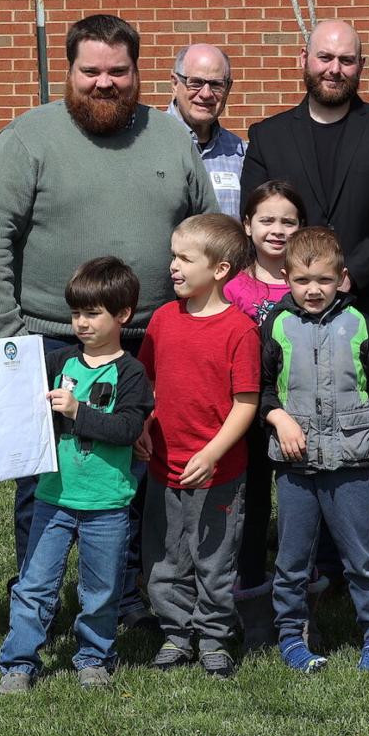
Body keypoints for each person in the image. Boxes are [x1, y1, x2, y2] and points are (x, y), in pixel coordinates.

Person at [0, 13, 216, 626]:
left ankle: (127, 601)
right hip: (48, 339)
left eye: (117, 72)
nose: (104, 83)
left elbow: (209, 232)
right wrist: (8, 343)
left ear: (137, 73)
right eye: (91, 71)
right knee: (42, 485)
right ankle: (37, 603)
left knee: (134, 475)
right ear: (70, 72)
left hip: (149, 341)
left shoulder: (170, 138)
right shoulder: (27, 138)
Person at [241, 20, 369, 609]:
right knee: (307, 446)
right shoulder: (268, 135)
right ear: (305, 59)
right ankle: (319, 561)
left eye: (347, 60)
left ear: (360, 67)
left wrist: (347, 275)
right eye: (325, 57)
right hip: (294, 323)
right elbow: (260, 221)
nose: (335, 68)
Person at [0, 257, 154, 694]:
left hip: (108, 504)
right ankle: (19, 662)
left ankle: (94, 657)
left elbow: (128, 430)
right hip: (53, 498)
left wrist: (80, 412)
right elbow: (28, 408)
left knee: (100, 590)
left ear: (123, 315)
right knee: (35, 585)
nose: (81, 322)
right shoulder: (58, 361)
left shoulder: (132, 374)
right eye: (76, 312)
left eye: (92, 313)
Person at [260, 227, 369, 674]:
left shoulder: (358, 323)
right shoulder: (277, 325)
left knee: (362, 557)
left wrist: (353, 426)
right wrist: (279, 418)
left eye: (323, 280)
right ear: (286, 278)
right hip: (295, 465)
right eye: (302, 281)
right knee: (292, 559)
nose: (313, 290)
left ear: (341, 278)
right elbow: (259, 386)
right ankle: (291, 635)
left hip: (351, 463)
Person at [138, 213, 260, 679]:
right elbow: (149, 387)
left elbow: (245, 404)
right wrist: (144, 425)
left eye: (185, 258)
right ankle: (176, 634)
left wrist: (212, 453)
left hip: (219, 474)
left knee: (214, 559)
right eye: (173, 256)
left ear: (221, 269)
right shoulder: (163, 321)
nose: (173, 266)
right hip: (163, 466)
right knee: (165, 556)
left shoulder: (239, 331)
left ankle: (213, 637)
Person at [224, 179, 307, 647]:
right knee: (252, 501)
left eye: (288, 221)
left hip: (303, 413)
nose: (277, 230)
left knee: (300, 503)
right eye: (267, 220)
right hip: (248, 410)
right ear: (248, 225)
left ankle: (302, 588)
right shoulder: (233, 287)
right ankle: (249, 586)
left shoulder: (311, 285)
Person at [167, 43, 245, 217]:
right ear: (174, 83)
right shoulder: (150, 142)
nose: (206, 93)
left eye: (216, 84)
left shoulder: (240, 153)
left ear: (228, 88)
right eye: (196, 83)